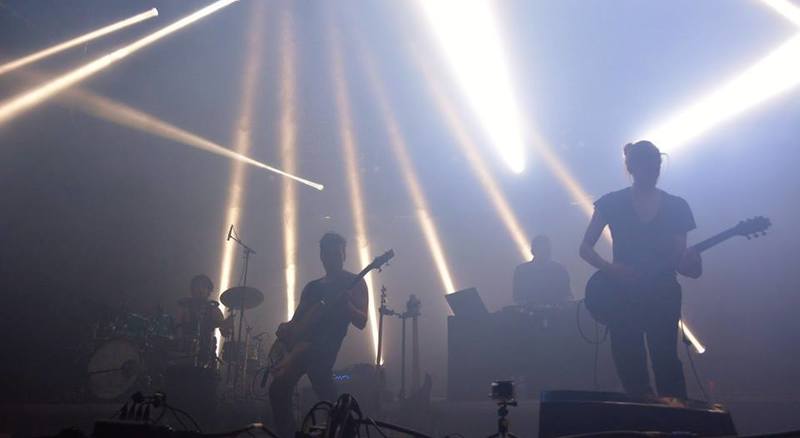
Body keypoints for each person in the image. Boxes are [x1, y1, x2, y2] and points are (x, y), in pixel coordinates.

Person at [579, 140, 702, 399]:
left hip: (662, 293)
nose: (653, 171)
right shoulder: (611, 203)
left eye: (656, 166)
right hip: (623, 294)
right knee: (629, 359)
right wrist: (610, 269)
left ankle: (675, 418)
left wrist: (691, 263)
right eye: (648, 166)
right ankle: (645, 413)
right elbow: (585, 248)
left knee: (665, 358)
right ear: (632, 167)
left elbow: (682, 260)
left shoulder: (677, 206)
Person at [269, 233, 369, 437]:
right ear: (322, 256)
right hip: (302, 345)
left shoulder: (354, 282)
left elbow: (362, 321)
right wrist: (284, 329)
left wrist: (348, 305)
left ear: (344, 254)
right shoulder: (313, 287)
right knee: (278, 389)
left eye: (338, 254)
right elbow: (296, 320)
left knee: (318, 372)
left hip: (324, 347)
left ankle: (342, 428)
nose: (334, 258)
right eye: (329, 254)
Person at [177, 274, 231, 367]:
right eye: (197, 286)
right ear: (192, 290)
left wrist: (228, 324)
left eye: (203, 287)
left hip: (206, 357)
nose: (200, 290)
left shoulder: (214, 310)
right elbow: (175, 329)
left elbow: (225, 334)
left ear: (209, 291)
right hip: (184, 355)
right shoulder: (185, 307)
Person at [512, 235, 573, 307]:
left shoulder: (560, 270)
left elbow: (567, 296)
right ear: (533, 251)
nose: (544, 253)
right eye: (541, 250)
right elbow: (518, 297)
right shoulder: (521, 271)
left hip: (555, 314)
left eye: (546, 250)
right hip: (529, 315)